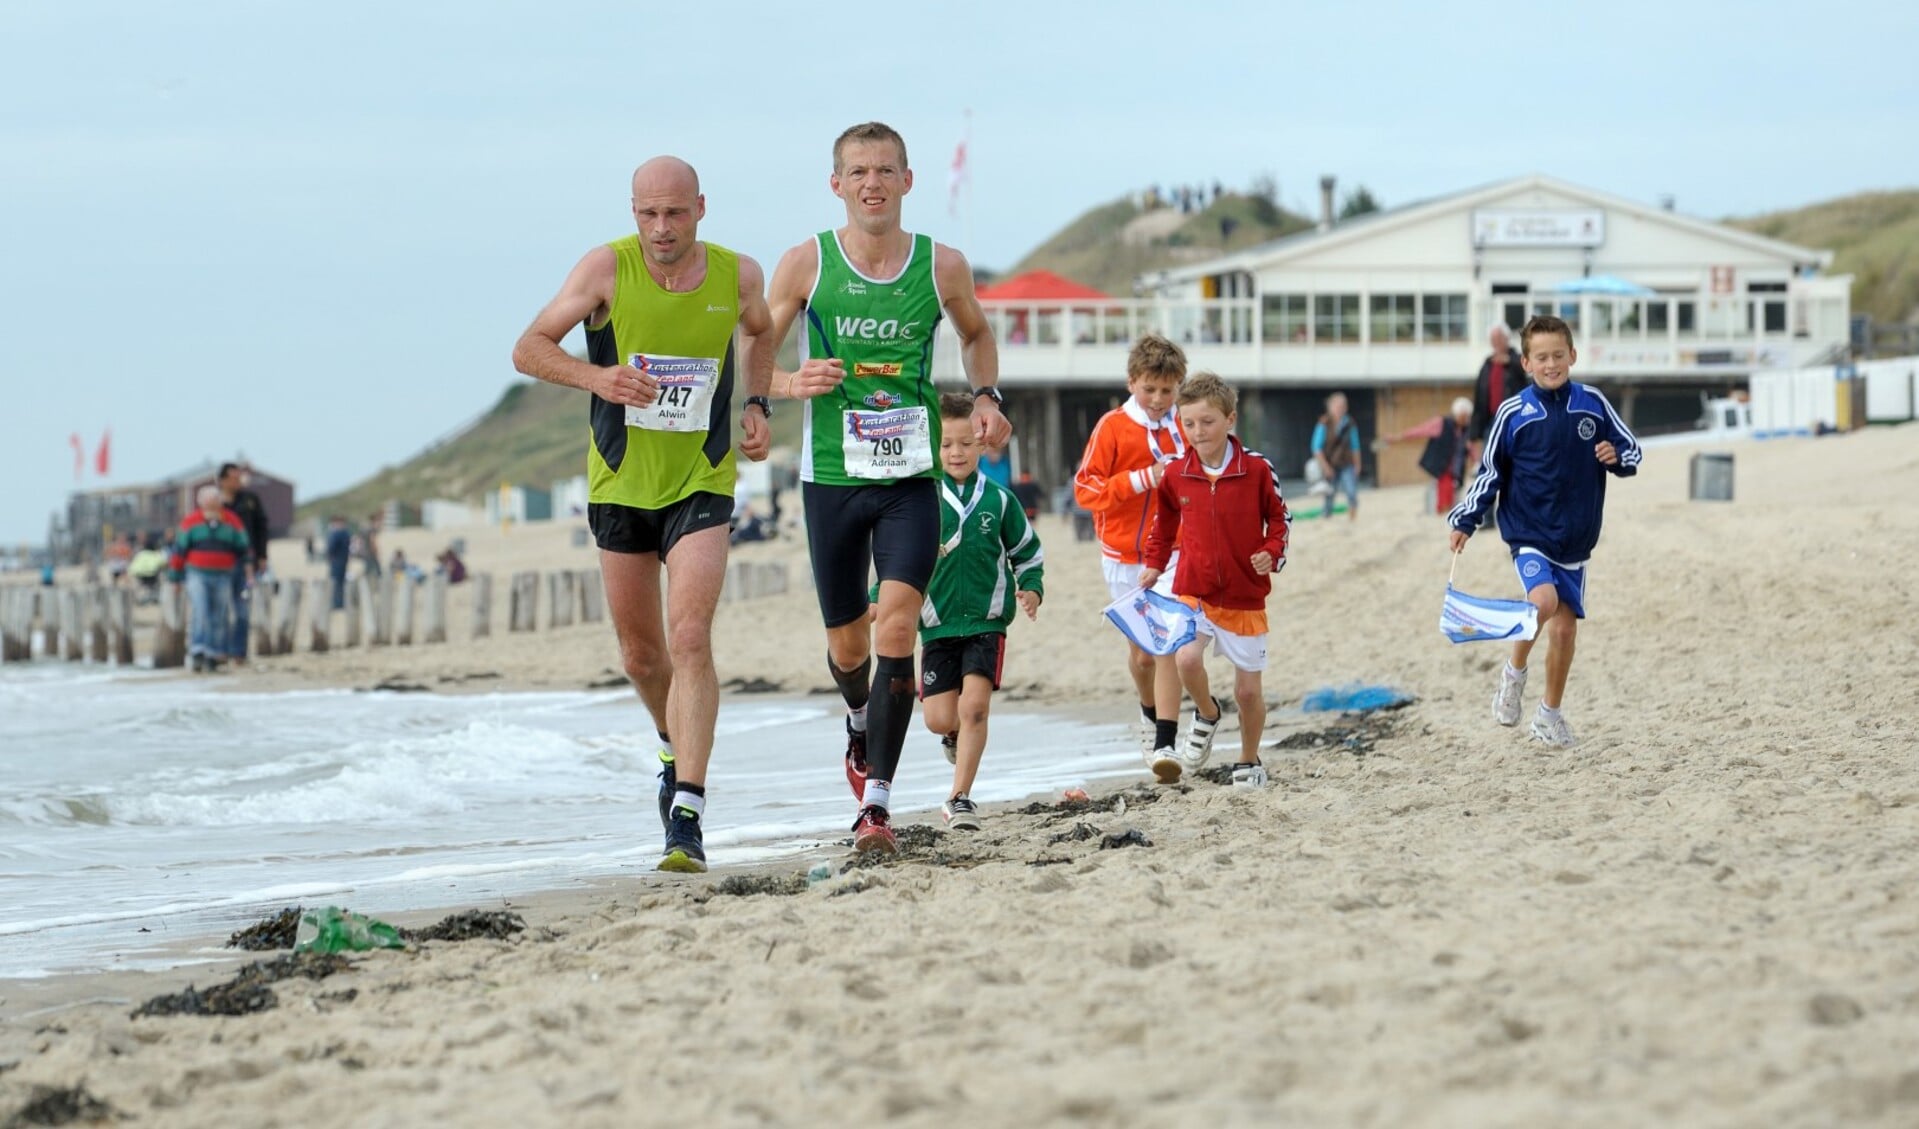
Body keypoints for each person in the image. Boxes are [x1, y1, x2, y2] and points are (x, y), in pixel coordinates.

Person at [749, 121, 1009, 854]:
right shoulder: (806, 263)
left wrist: (986, 395)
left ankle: (877, 805)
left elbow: (975, 333)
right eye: (857, 171)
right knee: (847, 641)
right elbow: (753, 350)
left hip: (910, 476)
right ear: (837, 184)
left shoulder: (940, 265)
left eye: (885, 170)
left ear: (907, 180)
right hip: (831, 475)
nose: (872, 182)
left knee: (896, 626)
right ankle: (859, 722)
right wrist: (784, 384)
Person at [512, 154, 774, 873]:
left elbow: (762, 327)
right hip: (620, 483)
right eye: (647, 213)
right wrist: (597, 376)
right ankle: (672, 744)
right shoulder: (605, 269)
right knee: (641, 655)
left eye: (675, 213)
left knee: (689, 637)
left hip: (702, 480)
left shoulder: (736, 274)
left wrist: (755, 402)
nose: (661, 228)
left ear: (700, 208)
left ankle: (686, 810)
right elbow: (528, 348)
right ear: (633, 212)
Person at [1448, 315, 1641, 748]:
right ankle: (1513, 674)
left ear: (1572, 355)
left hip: (1576, 539)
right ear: (1526, 363)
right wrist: (1466, 519)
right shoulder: (1513, 414)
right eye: (1542, 358)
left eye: (1558, 355)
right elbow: (1489, 473)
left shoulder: (1593, 403)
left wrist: (1616, 456)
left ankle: (1549, 715)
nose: (1551, 364)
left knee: (1565, 631)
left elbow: (1632, 449)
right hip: (1529, 532)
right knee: (1543, 600)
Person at [1138, 373, 1291, 785]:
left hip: (1244, 596)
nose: (1197, 432)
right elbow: (1163, 526)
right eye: (1188, 424)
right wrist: (1154, 564)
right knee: (1186, 658)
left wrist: (1271, 553)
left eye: (1207, 422)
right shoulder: (1175, 473)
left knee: (1247, 694)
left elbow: (1280, 519)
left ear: (1230, 419)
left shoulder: (1257, 469)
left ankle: (1248, 760)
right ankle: (1207, 712)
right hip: (1195, 589)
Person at [915, 393, 1044, 831]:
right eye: (947, 444)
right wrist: (879, 595)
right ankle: (952, 738)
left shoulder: (1000, 500)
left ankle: (960, 796)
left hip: (987, 623)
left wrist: (1031, 588)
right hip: (936, 625)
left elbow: (1027, 552)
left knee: (975, 708)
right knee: (940, 719)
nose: (956, 452)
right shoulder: (922, 499)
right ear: (934, 445)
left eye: (966, 444)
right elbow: (898, 560)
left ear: (982, 444)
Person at [1072, 332, 1189, 765]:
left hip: (1175, 552)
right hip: (1122, 557)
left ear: (1179, 386)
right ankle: (1148, 712)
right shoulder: (1113, 427)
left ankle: (1166, 743)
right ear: (1131, 382)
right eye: (1149, 389)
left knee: (1167, 645)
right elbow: (1085, 490)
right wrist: (1142, 478)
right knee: (1142, 656)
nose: (1158, 398)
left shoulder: (1186, 424)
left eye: (1167, 390)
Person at [168, 484, 250, 673]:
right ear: (201, 502)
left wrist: (247, 566)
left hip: (223, 574)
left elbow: (243, 546)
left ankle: (214, 653)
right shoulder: (191, 522)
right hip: (197, 573)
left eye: (215, 499)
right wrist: (175, 578)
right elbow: (179, 551)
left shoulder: (231, 520)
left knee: (219, 615)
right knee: (200, 610)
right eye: (208, 500)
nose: (212, 503)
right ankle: (198, 650)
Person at [219, 463, 269, 664]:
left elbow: (261, 527)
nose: (238, 481)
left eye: (239, 477)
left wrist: (262, 556)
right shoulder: (215, 502)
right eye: (233, 478)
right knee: (220, 610)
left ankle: (239, 652)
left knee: (242, 609)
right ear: (222, 480)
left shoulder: (250, 500)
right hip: (219, 564)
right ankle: (220, 651)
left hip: (246, 563)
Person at [1470, 323, 1528, 460]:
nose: (1495, 342)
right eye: (1493, 339)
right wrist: (1473, 432)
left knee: (1513, 459)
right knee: (1491, 460)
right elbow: (1479, 397)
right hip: (1490, 420)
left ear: (1507, 339)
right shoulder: (1487, 364)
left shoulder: (1518, 359)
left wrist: (1509, 361)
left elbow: (1526, 371)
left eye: (1499, 338)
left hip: (1513, 419)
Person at [1418, 397, 1476, 514]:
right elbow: (1421, 431)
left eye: (1466, 417)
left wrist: (1477, 461)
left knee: (1455, 489)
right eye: (1462, 416)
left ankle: (1448, 509)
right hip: (1443, 465)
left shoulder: (1467, 430)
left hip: (1457, 467)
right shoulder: (1442, 423)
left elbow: (1471, 448)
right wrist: (1399, 437)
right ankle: (1442, 509)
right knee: (1444, 486)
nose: (1464, 419)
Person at [1310, 392, 1362, 521]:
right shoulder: (1323, 423)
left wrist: (1357, 464)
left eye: (1342, 406)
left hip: (1346, 463)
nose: (1340, 409)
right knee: (1329, 493)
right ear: (1330, 407)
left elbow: (1355, 446)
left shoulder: (1350, 424)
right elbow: (1316, 448)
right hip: (1330, 464)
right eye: (1337, 406)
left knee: (1351, 491)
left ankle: (1353, 516)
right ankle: (1327, 515)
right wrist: (1326, 467)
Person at [325, 516, 353, 609]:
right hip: (343, 560)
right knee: (340, 582)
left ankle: (337, 603)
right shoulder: (346, 533)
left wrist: (329, 556)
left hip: (337, 561)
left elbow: (331, 548)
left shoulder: (337, 533)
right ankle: (340, 602)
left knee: (336, 582)